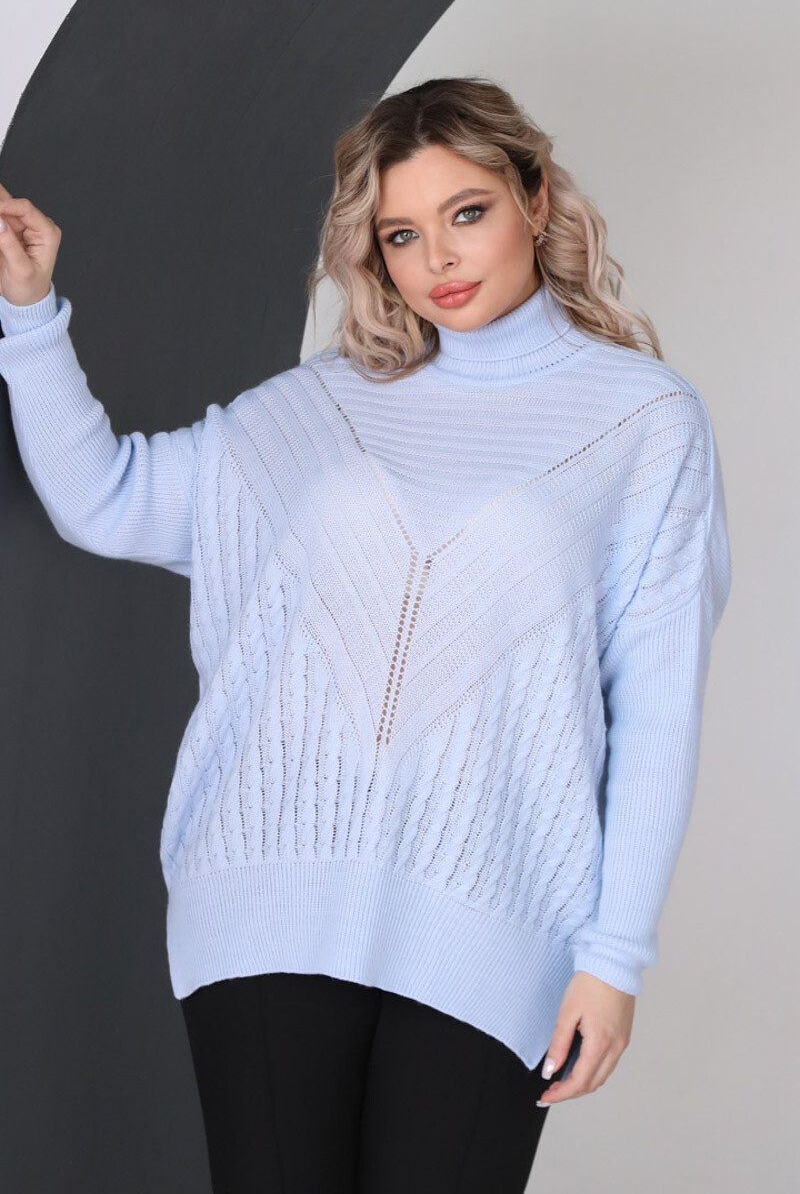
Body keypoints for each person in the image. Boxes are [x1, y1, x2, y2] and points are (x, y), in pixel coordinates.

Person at [0, 75, 732, 1193]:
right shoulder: (320, 405)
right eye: (400, 233)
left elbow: (657, 710)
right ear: (372, 251)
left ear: (535, 196)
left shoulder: (644, 423)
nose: (438, 258)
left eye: (467, 212)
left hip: (494, 929)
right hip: (268, 903)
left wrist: (613, 957)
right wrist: (31, 316)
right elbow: (105, 500)